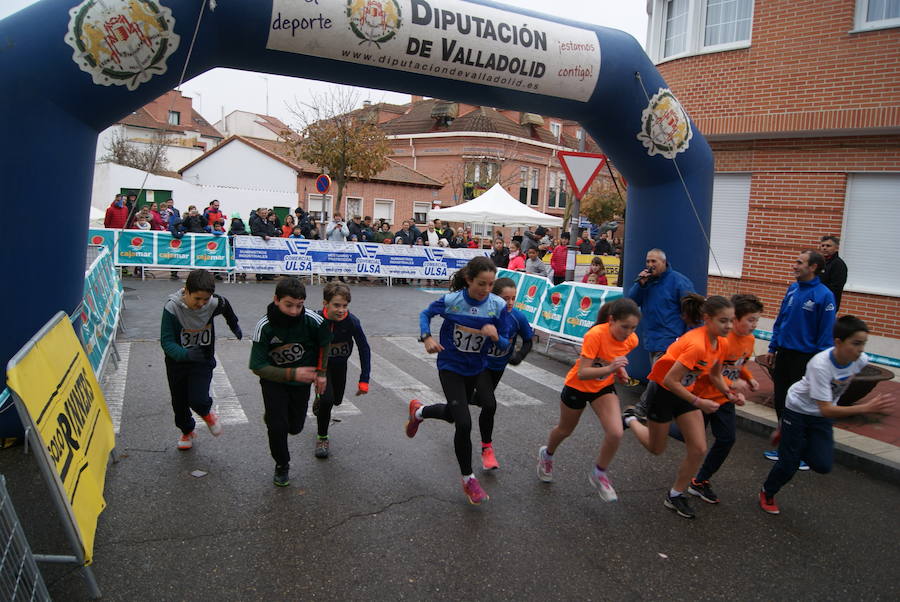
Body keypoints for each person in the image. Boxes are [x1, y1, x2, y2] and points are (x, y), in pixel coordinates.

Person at [623, 295, 744, 519]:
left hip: (686, 394)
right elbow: (670, 380)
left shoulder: (722, 341)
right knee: (656, 448)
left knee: (698, 448)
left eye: (732, 320)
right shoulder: (696, 344)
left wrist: (729, 393)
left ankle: (675, 494)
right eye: (723, 321)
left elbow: (715, 373)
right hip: (664, 393)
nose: (729, 326)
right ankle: (630, 418)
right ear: (707, 319)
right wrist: (698, 402)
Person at [759, 316, 895, 515]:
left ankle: (789, 435)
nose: (861, 349)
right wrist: (865, 408)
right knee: (790, 463)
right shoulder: (820, 364)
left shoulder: (860, 361)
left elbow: (825, 410)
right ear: (838, 342)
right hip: (798, 408)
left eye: (863, 344)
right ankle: (767, 491)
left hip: (820, 414)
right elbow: (827, 410)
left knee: (822, 465)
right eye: (856, 343)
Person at [407, 256, 510, 505]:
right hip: (450, 366)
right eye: (481, 284)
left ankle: (419, 411)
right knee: (463, 423)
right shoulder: (453, 301)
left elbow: (506, 342)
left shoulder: (497, 305)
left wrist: (496, 337)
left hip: (475, 369)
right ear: (468, 280)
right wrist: (426, 338)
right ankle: (469, 480)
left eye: (490, 284)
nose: (486, 290)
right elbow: (426, 313)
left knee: (455, 414)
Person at [538, 298, 641, 501]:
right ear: (611, 320)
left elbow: (615, 357)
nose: (629, 333)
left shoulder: (632, 340)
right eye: (624, 327)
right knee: (565, 430)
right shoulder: (595, 335)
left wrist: (620, 370)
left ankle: (599, 473)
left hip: (602, 388)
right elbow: (584, 372)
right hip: (578, 386)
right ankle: (547, 454)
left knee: (616, 432)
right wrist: (612, 368)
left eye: (633, 328)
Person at [671, 294, 764, 505]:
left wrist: (748, 380)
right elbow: (709, 372)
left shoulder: (749, 340)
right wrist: (732, 385)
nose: (754, 325)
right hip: (702, 398)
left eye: (757, 320)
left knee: (727, 439)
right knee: (688, 438)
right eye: (750, 320)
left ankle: (700, 480)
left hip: (723, 400)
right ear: (735, 319)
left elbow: (739, 365)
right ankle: (656, 423)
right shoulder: (722, 341)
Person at [249, 277, 331, 487]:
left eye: (299, 305)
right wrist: (291, 374)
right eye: (289, 305)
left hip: (301, 384)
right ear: (276, 300)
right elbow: (257, 366)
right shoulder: (264, 326)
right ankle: (282, 464)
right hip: (273, 382)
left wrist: (321, 373)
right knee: (277, 426)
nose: (295, 311)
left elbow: (325, 343)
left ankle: (278, 420)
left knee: (295, 427)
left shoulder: (314, 320)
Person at [764, 250, 836, 462]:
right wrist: (772, 347)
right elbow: (781, 320)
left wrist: (820, 365)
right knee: (782, 402)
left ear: (813, 267)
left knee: (801, 406)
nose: (793, 266)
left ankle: (802, 453)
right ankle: (787, 448)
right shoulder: (793, 288)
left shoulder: (824, 295)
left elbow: (826, 334)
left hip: (806, 359)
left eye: (799, 262)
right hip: (784, 355)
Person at [160, 269, 241, 451]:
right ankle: (187, 430)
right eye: (197, 299)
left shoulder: (212, 303)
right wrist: (184, 354)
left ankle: (207, 413)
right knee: (179, 403)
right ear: (186, 290)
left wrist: (233, 324)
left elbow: (225, 305)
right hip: (177, 363)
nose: (201, 304)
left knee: (198, 398)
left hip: (202, 360)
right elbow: (166, 341)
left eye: (205, 299)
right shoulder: (171, 308)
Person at [626, 248, 695, 417]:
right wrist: (640, 284)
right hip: (652, 337)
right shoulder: (647, 282)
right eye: (648, 261)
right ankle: (668, 411)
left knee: (658, 376)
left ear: (664, 263)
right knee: (663, 379)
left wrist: (688, 337)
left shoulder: (679, 282)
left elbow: (692, 311)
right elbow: (632, 300)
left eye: (654, 262)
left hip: (671, 339)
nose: (650, 265)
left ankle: (642, 408)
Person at [475, 277, 533, 469]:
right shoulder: (484, 315)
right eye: (505, 298)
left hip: (498, 367)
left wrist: (518, 356)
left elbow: (528, 340)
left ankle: (422, 412)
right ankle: (487, 450)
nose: (509, 302)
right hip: (479, 365)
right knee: (490, 405)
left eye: (513, 298)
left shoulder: (517, 317)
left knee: (462, 405)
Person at [312, 283, 371, 458]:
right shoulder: (315, 320)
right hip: (321, 368)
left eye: (345, 306)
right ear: (325, 303)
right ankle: (322, 438)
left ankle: (319, 399)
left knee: (337, 400)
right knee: (328, 400)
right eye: (336, 305)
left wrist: (364, 379)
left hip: (340, 366)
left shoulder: (352, 321)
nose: (341, 310)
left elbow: (364, 348)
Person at [819, 235, 848, 311]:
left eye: (828, 246)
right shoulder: (820, 263)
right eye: (822, 245)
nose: (824, 248)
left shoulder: (838, 265)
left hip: (828, 305)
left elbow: (836, 288)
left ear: (836, 248)